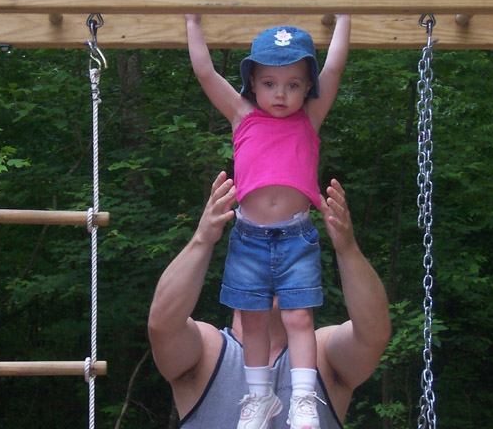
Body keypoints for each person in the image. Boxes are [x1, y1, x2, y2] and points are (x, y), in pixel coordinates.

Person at [183, 14, 351, 429]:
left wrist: (345, 16)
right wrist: (192, 22)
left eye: (293, 85)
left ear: (308, 87)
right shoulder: (242, 116)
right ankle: (259, 398)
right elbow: (205, 73)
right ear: (253, 84)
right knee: (253, 321)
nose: (280, 93)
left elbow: (333, 67)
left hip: (296, 237)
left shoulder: (309, 118)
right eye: (270, 83)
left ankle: (303, 399)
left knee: (298, 318)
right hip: (248, 238)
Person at [148, 172, 391, 429]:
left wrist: (347, 249)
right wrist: (202, 240)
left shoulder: (323, 357)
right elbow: (163, 325)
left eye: (286, 261)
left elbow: (374, 333)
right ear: (237, 279)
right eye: (261, 261)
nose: (273, 270)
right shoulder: (209, 353)